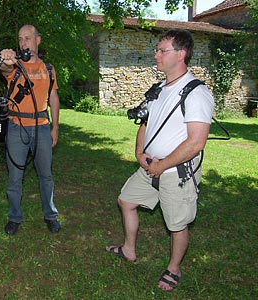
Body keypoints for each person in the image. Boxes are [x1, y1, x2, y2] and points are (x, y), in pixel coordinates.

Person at [105, 29, 214, 291]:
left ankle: (173, 269)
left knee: (177, 224)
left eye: (162, 50)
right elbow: (145, 122)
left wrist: (162, 166)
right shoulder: (159, 88)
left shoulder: (196, 93)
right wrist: (139, 153)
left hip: (176, 171)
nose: (156, 55)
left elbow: (196, 142)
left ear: (181, 54)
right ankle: (129, 249)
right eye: (157, 50)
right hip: (150, 165)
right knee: (126, 201)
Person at [0, 24, 61, 235]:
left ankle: (50, 215)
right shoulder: (14, 66)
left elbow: (53, 97)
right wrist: (6, 61)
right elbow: (5, 69)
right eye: (20, 38)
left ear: (37, 40)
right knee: (15, 176)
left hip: (42, 128)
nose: (23, 42)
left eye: (27, 38)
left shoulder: (49, 69)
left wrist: (55, 127)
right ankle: (14, 217)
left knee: (46, 175)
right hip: (16, 127)